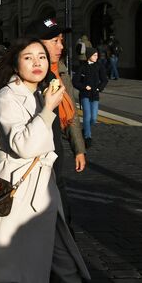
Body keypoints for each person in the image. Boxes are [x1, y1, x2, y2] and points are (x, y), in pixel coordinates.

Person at [0, 38, 90, 283]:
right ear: (16, 66)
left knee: (65, 262)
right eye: (28, 57)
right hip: (19, 194)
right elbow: (23, 146)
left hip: (44, 192)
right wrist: (48, 110)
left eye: (42, 57)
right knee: (7, 268)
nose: (37, 62)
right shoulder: (8, 96)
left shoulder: (40, 92)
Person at [24, 18, 86, 228]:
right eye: (55, 41)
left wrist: (79, 149)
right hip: (34, 163)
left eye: (61, 40)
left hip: (55, 156)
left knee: (63, 218)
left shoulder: (59, 72)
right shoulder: (26, 78)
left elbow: (70, 115)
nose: (61, 46)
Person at [73, 48, 108, 149]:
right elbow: (75, 81)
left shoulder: (99, 66)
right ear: (89, 56)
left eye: (97, 55)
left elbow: (104, 80)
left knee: (94, 119)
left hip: (95, 95)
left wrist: (99, 88)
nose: (96, 57)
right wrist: (84, 87)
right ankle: (88, 137)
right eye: (94, 55)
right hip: (85, 95)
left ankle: (85, 129)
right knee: (87, 117)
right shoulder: (82, 67)